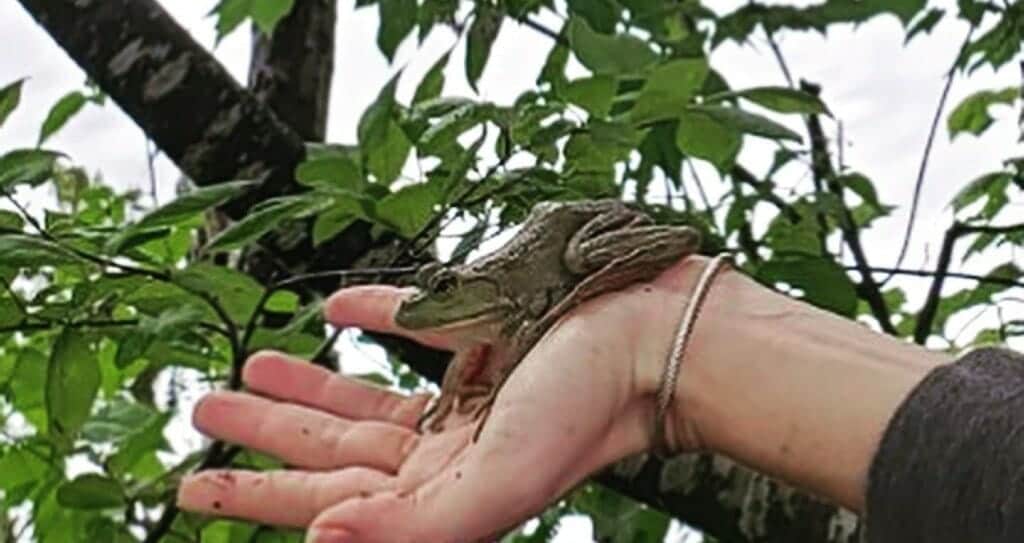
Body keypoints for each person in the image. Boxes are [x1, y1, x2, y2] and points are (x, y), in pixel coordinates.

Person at [175, 255, 1023, 542]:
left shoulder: (516, 295)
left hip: (587, 280)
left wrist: (664, 332)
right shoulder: (483, 330)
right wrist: (676, 343)